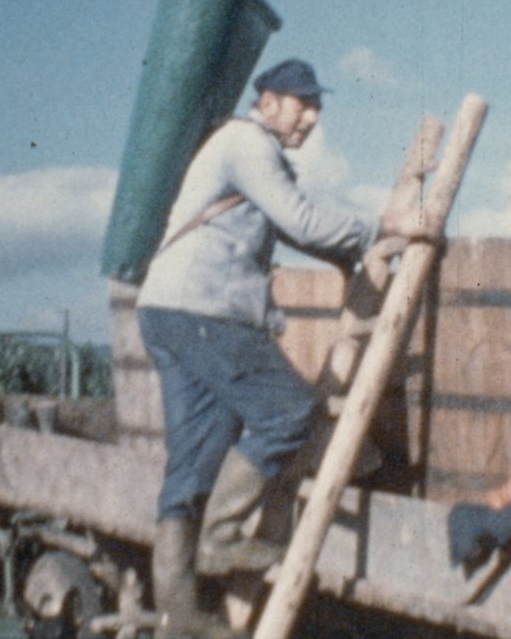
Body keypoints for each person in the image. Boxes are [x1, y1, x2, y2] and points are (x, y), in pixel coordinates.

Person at [136, 58, 428, 637]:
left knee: (195, 462)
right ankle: (221, 538)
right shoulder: (247, 143)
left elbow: (292, 227)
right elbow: (299, 220)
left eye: (316, 106)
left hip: (165, 309)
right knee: (289, 411)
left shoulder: (244, 151)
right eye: (301, 103)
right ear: (267, 101)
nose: (312, 116)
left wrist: (351, 258)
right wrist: (383, 226)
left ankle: (177, 616)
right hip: (205, 311)